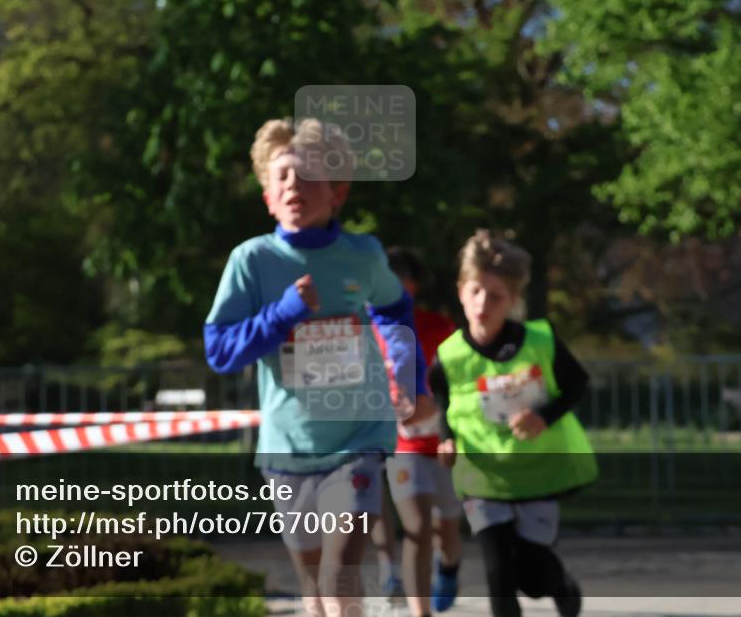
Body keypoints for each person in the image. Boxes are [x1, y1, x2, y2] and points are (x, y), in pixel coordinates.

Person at [204, 117, 434, 617]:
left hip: (358, 439)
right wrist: (283, 313)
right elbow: (220, 350)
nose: (294, 185)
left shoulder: (362, 255)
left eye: (308, 175)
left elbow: (395, 309)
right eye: (282, 176)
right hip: (288, 448)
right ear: (268, 197)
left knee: (338, 577)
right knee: (314, 592)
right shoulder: (251, 261)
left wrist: (408, 375)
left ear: (338, 192)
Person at [434, 229, 598, 617]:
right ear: (461, 291)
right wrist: (446, 439)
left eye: (495, 296)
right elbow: (445, 403)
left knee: (533, 578)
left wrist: (543, 416)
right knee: (498, 575)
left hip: (537, 474)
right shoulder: (448, 356)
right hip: (483, 477)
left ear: (512, 300)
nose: (482, 303)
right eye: (475, 291)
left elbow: (577, 384)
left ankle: (561, 585)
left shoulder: (539, 340)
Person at [369, 247, 464, 616]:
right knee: (418, 527)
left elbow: (457, 387)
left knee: (447, 532)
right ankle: (416, 606)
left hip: (442, 442)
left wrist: (441, 419)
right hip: (402, 444)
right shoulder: (367, 330)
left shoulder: (439, 328)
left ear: (412, 285)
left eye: (398, 282)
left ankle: (450, 567)